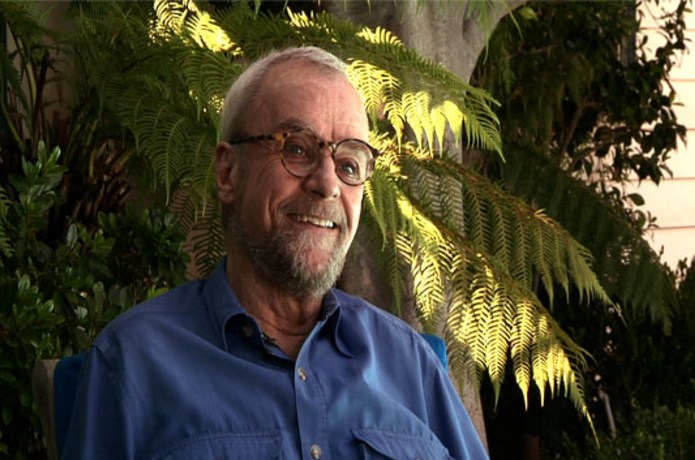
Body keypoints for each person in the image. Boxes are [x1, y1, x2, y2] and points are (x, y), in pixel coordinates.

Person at [62, 46, 488, 459]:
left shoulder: (410, 363)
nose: (328, 184)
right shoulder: (133, 364)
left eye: (349, 164)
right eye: (297, 148)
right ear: (228, 172)